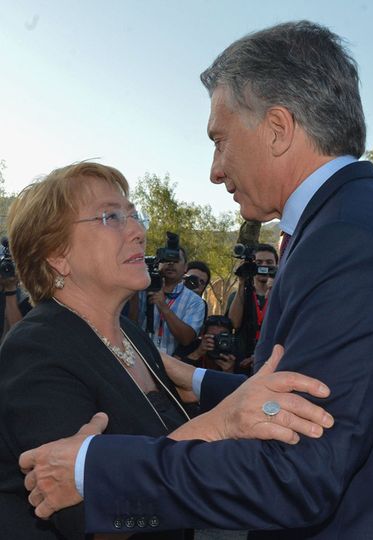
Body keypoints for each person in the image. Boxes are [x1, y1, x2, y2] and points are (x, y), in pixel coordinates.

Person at [20, 19, 373, 538]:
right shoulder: (353, 225)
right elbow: (298, 393)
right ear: (55, 256)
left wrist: (94, 471)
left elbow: (298, 471)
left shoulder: (347, 243)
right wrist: (193, 377)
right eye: (112, 217)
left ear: (277, 128)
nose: (215, 169)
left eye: (220, 140)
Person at [0, 161, 333, 540]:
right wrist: (222, 423)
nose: (139, 231)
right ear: (57, 255)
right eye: (111, 217)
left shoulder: (130, 335)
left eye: (133, 214)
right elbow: (91, 525)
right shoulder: (36, 351)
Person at [138, 247, 206, 354]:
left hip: (171, 365)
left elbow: (186, 339)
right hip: (139, 358)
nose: (170, 263)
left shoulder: (195, 302)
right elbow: (129, 322)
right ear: (157, 262)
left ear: (185, 267)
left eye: (176, 260)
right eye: (166, 259)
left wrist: (163, 306)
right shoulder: (141, 289)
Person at [226, 243, 278, 373]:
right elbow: (234, 324)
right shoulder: (239, 295)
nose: (264, 266)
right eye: (259, 262)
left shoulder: (282, 295)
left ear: (277, 266)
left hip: (271, 362)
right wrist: (242, 282)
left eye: (269, 262)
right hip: (241, 362)